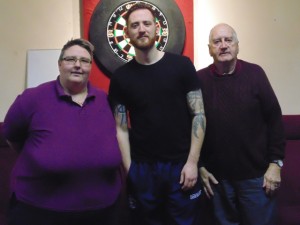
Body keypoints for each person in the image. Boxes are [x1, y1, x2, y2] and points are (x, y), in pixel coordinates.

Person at [3, 38, 122, 225]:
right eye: (70, 59)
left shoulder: (105, 100)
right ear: (59, 64)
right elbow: (12, 136)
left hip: (103, 212)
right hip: (39, 212)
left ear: (91, 67)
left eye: (84, 61)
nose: (77, 65)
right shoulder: (32, 99)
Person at [108, 3, 206, 225]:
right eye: (135, 25)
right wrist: (130, 169)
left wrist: (192, 163)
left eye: (146, 23)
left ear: (157, 28)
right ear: (127, 33)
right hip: (143, 169)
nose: (141, 29)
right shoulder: (121, 78)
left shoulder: (181, 66)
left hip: (181, 167)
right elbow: (121, 128)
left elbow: (199, 115)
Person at [197, 23, 286, 225]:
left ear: (237, 45)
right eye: (217, 41)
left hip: (256, 179)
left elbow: (274, 120)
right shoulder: (199, 80)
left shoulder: (255, 74)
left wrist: (276, 164)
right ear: (209, 48)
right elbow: (190, 127)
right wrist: (200, 166)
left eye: (228, 40)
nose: (223, 45)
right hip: (216, 181)